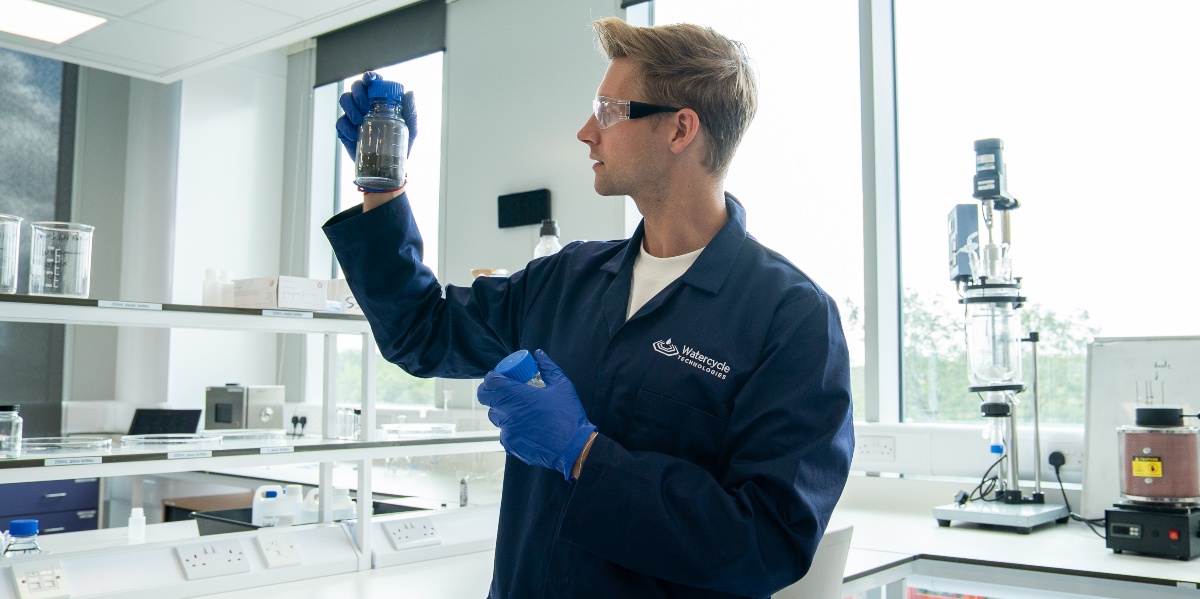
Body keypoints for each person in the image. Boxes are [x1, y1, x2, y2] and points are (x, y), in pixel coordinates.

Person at [324, 17, 854, 599]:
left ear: (680, 129)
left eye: (608, 111)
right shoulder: (567, 277)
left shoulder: (791, 319)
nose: (585, 132)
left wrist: (586, 455)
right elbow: (422, 332)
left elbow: (767, 543)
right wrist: (383, 186)